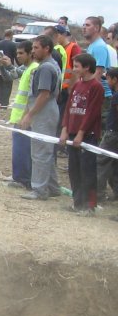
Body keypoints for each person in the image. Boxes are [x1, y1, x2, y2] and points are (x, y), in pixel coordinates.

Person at [58, 53, 104, 213]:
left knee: (87, 170)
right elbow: (68, 109)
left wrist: (81, 133)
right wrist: (65, 129)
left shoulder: (96, 87)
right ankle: (77, 202)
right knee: (74, 169)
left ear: (87, 67)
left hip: (87, 135)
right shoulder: (77, 85)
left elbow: (92, 112)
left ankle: (89, 206)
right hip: (71, 132)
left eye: (77, 66)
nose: (74, 69)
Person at [19, 36, 62, 201]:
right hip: (48, 110)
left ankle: (39, 189)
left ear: (47, 49)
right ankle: (52, 186)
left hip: (44, 112)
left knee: (40, 152)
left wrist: (29, 114)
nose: (33, 51)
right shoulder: (52, 65)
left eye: (36, 48)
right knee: (46, 150)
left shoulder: (45, 68)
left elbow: (44, 94)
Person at [0, 41, 36, 189]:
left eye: (21, 53)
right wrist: (2, 66)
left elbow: (33, 97)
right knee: (19, 148)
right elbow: (9, 77)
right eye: (17, 53)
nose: (18, 56)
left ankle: (22, 179)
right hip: (19, 116)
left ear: (30, 53)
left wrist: (27, 116)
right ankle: (18, 176)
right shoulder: (26, 68)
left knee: (23, 149)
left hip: (25, 117)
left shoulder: (34, 69)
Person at [98, 68, 118, 207]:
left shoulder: (116, 96)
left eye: (108, 79)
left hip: (113, 133)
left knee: (101, 161)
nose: (107, 82)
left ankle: (98, 194)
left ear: (114, 79)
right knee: (114, 165)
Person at [0, 30, 18, 108]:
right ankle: (5, 103)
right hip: (9, 68)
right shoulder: (13, 45)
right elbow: (16, 57)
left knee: (0, 85)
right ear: (11, 35)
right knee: (8, 86)